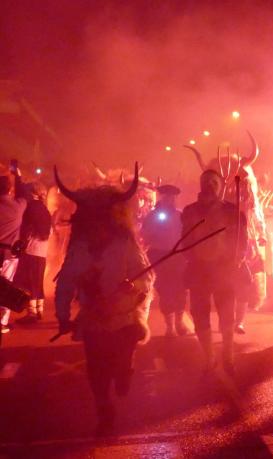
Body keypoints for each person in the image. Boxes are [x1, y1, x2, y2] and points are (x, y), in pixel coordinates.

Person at [53, 164, 154, 434]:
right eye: (91, 218)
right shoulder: (79, 247)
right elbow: (65, 282)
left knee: (120, 364)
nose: (96, 223)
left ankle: (124, 371)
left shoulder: (124, 244)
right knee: (96, 371)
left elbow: (147, 277)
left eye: (102, 217)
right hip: (94, 320)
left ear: (110, 217)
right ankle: (104, 410)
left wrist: (131, 287)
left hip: (124, 318)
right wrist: (62, 316)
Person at [182, 169, 248, 374]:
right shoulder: (189, 210)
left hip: (224, 269)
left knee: (227, 314)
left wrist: (237, 258)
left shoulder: (232, 211)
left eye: (214, 181)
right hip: (199, 270)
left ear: (221, 186)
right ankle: (209, 358)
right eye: (206, 181)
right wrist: (191, 256)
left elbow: (242, 239)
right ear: (200, 185)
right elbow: (185, 238)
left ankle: (228, 356)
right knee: (200, 314)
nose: (210, 184)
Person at [140, 184, 192, 337]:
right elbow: (146, 236)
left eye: (172, 197)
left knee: (181, 290)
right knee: (165, 291)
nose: (170, 200)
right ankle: (169, 327)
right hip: (160, 257)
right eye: (167, 197)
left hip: (179, 258)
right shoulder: (152, 216)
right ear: (162, 197)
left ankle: (180, 323)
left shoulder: (181, 215)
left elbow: (187, 235)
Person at [14, 182, 51, 323]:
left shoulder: (31, 208)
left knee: (29, 282)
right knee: (38, 280)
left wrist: (22, 244)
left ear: (32, 193)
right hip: (42, 251)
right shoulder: (45, 209)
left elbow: (27, 229)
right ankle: (39, 310)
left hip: (31, 249)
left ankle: (32, 313)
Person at [0, 162, 28, 334]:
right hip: (9, 254)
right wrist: (17, 175)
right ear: (9, 189)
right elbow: (24, 193)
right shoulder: (18, 206)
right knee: (6, 288)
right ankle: (1, 322)